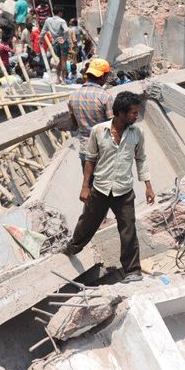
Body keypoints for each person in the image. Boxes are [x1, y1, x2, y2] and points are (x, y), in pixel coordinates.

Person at [67, 92, 154, 282]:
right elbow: (90, 159)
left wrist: (148, 185)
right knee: (88, 222)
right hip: (100, 188)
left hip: (124, 190)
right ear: (120, 113)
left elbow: (141, 159)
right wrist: (85, 187)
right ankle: (72, 248)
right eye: (132, 113)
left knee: (128, 229)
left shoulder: (137, 133)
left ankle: (132, 271)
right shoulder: (99, 131)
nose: (136, 116)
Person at [64, 59, 113, 167]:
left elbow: (74, 125)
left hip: (85, 150)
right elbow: (112, 126)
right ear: (102, 76)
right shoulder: (105, 96)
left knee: (88, 181)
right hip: (103, 150)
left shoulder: (73, 97)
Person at [42, 8, 71, 82]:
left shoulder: (48, 20)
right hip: (62, 42)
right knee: (64, 61)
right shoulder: (62, 21)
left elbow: (44, 31)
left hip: (55, 43)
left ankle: (58, 78)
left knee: (60, 61)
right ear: (60, 12)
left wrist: (40, 39)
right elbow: (66, 30)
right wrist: (64, 39)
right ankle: (63, 80)